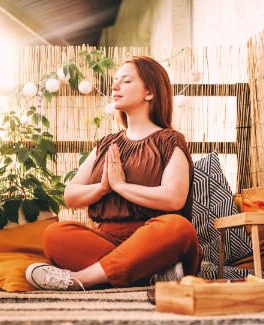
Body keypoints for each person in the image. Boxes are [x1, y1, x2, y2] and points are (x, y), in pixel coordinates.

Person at [25, 56, 200, 291]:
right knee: (55, 235)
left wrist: (121, 186)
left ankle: (80, 280)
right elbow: (70, 195)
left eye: (126, 81)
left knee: (177, 228)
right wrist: (103, 187)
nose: (115, 87)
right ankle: (149, 275)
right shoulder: (106, 144)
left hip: (156, 238)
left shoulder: (170, 140)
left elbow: (173, 198)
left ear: (150, 92)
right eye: (115, 81)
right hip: (106, 240)